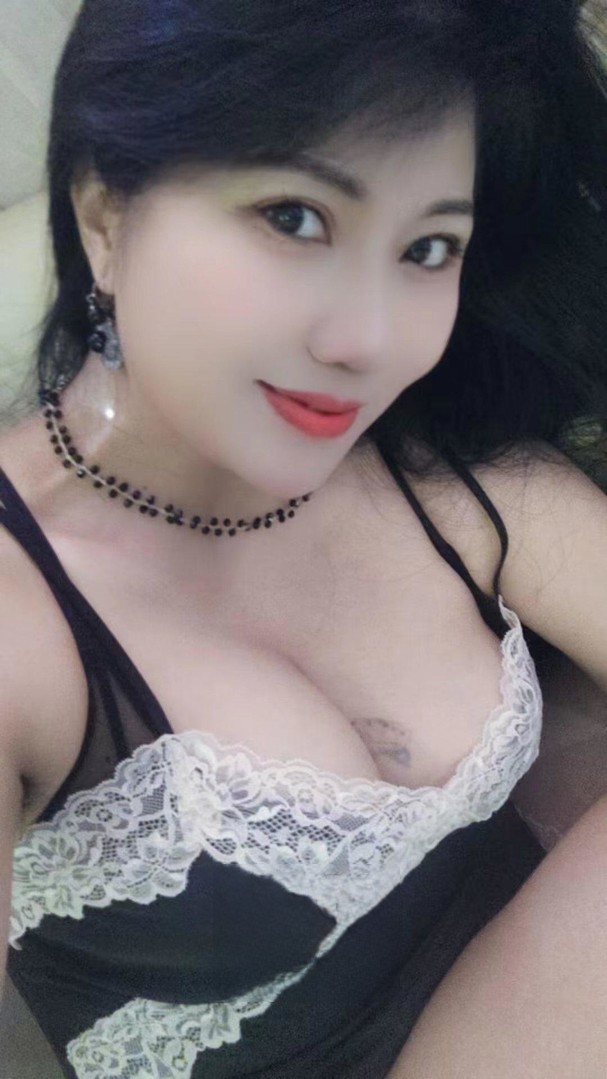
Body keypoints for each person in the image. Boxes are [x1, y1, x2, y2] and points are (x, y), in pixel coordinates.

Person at [0, 1, 606, 1077]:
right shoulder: (20, 617)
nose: (367, 338)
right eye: (294, 217)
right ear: (104, 211)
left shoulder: (441, 470)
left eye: (428, 247)